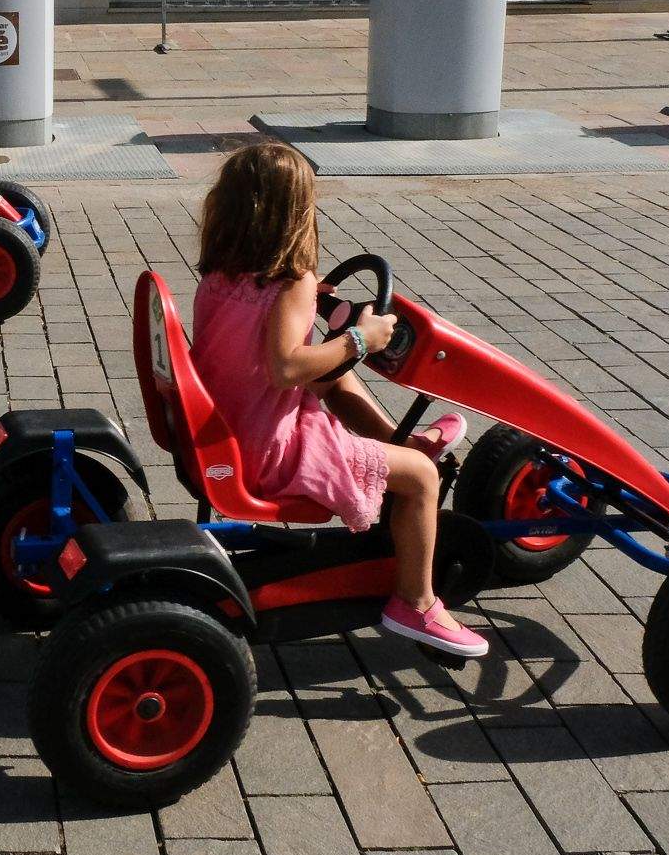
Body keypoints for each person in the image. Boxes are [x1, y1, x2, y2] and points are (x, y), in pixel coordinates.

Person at [190, 142, 486, 659]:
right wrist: (361, 340)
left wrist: (314, 323)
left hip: (229, 428)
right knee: (421, 479)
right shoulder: (290, 283)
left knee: (331, 381)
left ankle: (404, 441)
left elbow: (263, 360)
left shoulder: (220, 275)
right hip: (268, 452)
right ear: (296, 213)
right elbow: (284, 368)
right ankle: (415, 603)